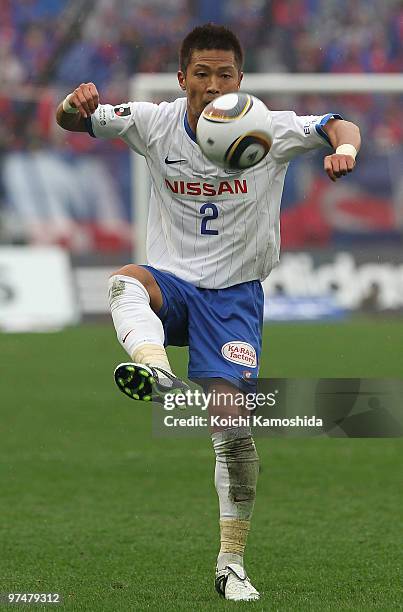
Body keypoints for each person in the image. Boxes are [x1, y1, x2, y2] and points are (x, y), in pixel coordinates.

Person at [56, 23, 360, 602]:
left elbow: (336, 124)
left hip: (234, 299)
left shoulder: (267, 128)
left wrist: (344, 148)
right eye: (202, 73)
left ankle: (231, 565)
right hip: (172, 284)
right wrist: (75, 105)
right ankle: (156, 370)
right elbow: (74, 123)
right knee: (123, 283)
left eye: (225, 73)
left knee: (234, 435)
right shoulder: (154, 122)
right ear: (182, 79)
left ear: (240, 79)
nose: (213, 84)